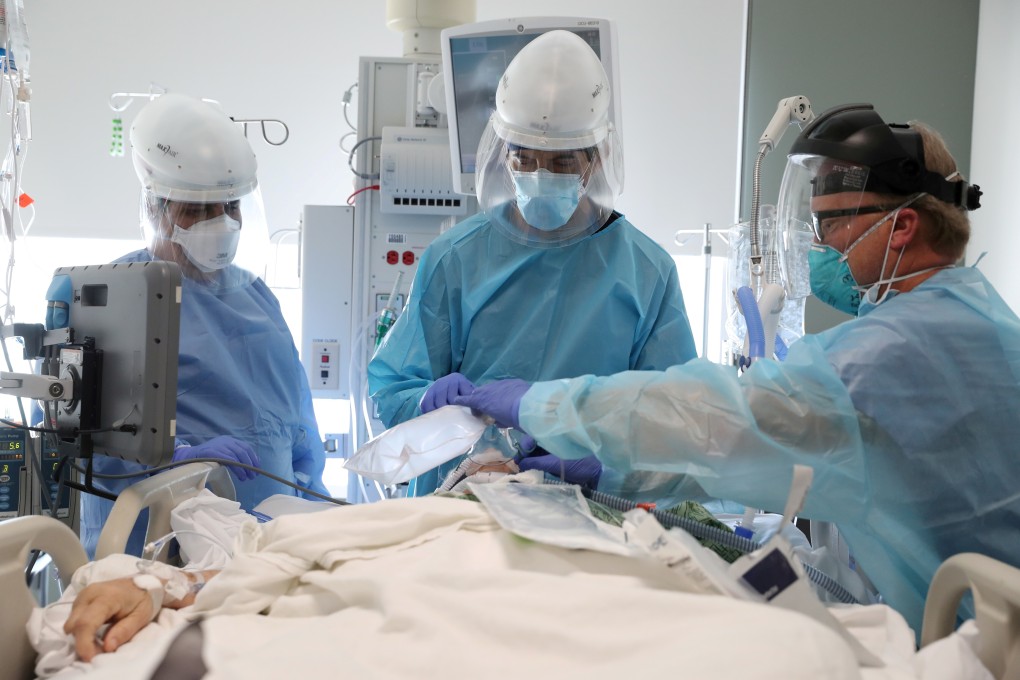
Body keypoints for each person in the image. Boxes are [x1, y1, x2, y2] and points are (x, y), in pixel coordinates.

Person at [454, 103, 1020, 635]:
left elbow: (713, 418)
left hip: (977, 644)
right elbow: (752, 444)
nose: (819, 248)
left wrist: (543, 406)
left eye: (833, 226)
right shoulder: (973, 319)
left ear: (902, 228)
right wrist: (610, 471)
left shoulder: (892, 353)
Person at [367, 31, 698, 496]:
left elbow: (677, 420)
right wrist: (424, 398)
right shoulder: (455, 259)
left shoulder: (646, 272)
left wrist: (604, 463)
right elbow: (391, 389)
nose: (540, 176)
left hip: (592, 513)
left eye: (561, 163)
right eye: (525, 159)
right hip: (465, 507)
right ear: (504, 156)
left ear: (595, 161)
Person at [78, 93, 328, 557]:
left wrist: (309, 504)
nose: (220, 222)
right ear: (155, 210)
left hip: (269, 543)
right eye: (197, 209)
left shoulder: (256, 297)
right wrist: (175, 462)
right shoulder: (113, 295)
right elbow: (84, 440)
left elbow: (297, 427)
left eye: (229, 206)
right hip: (160, 547)